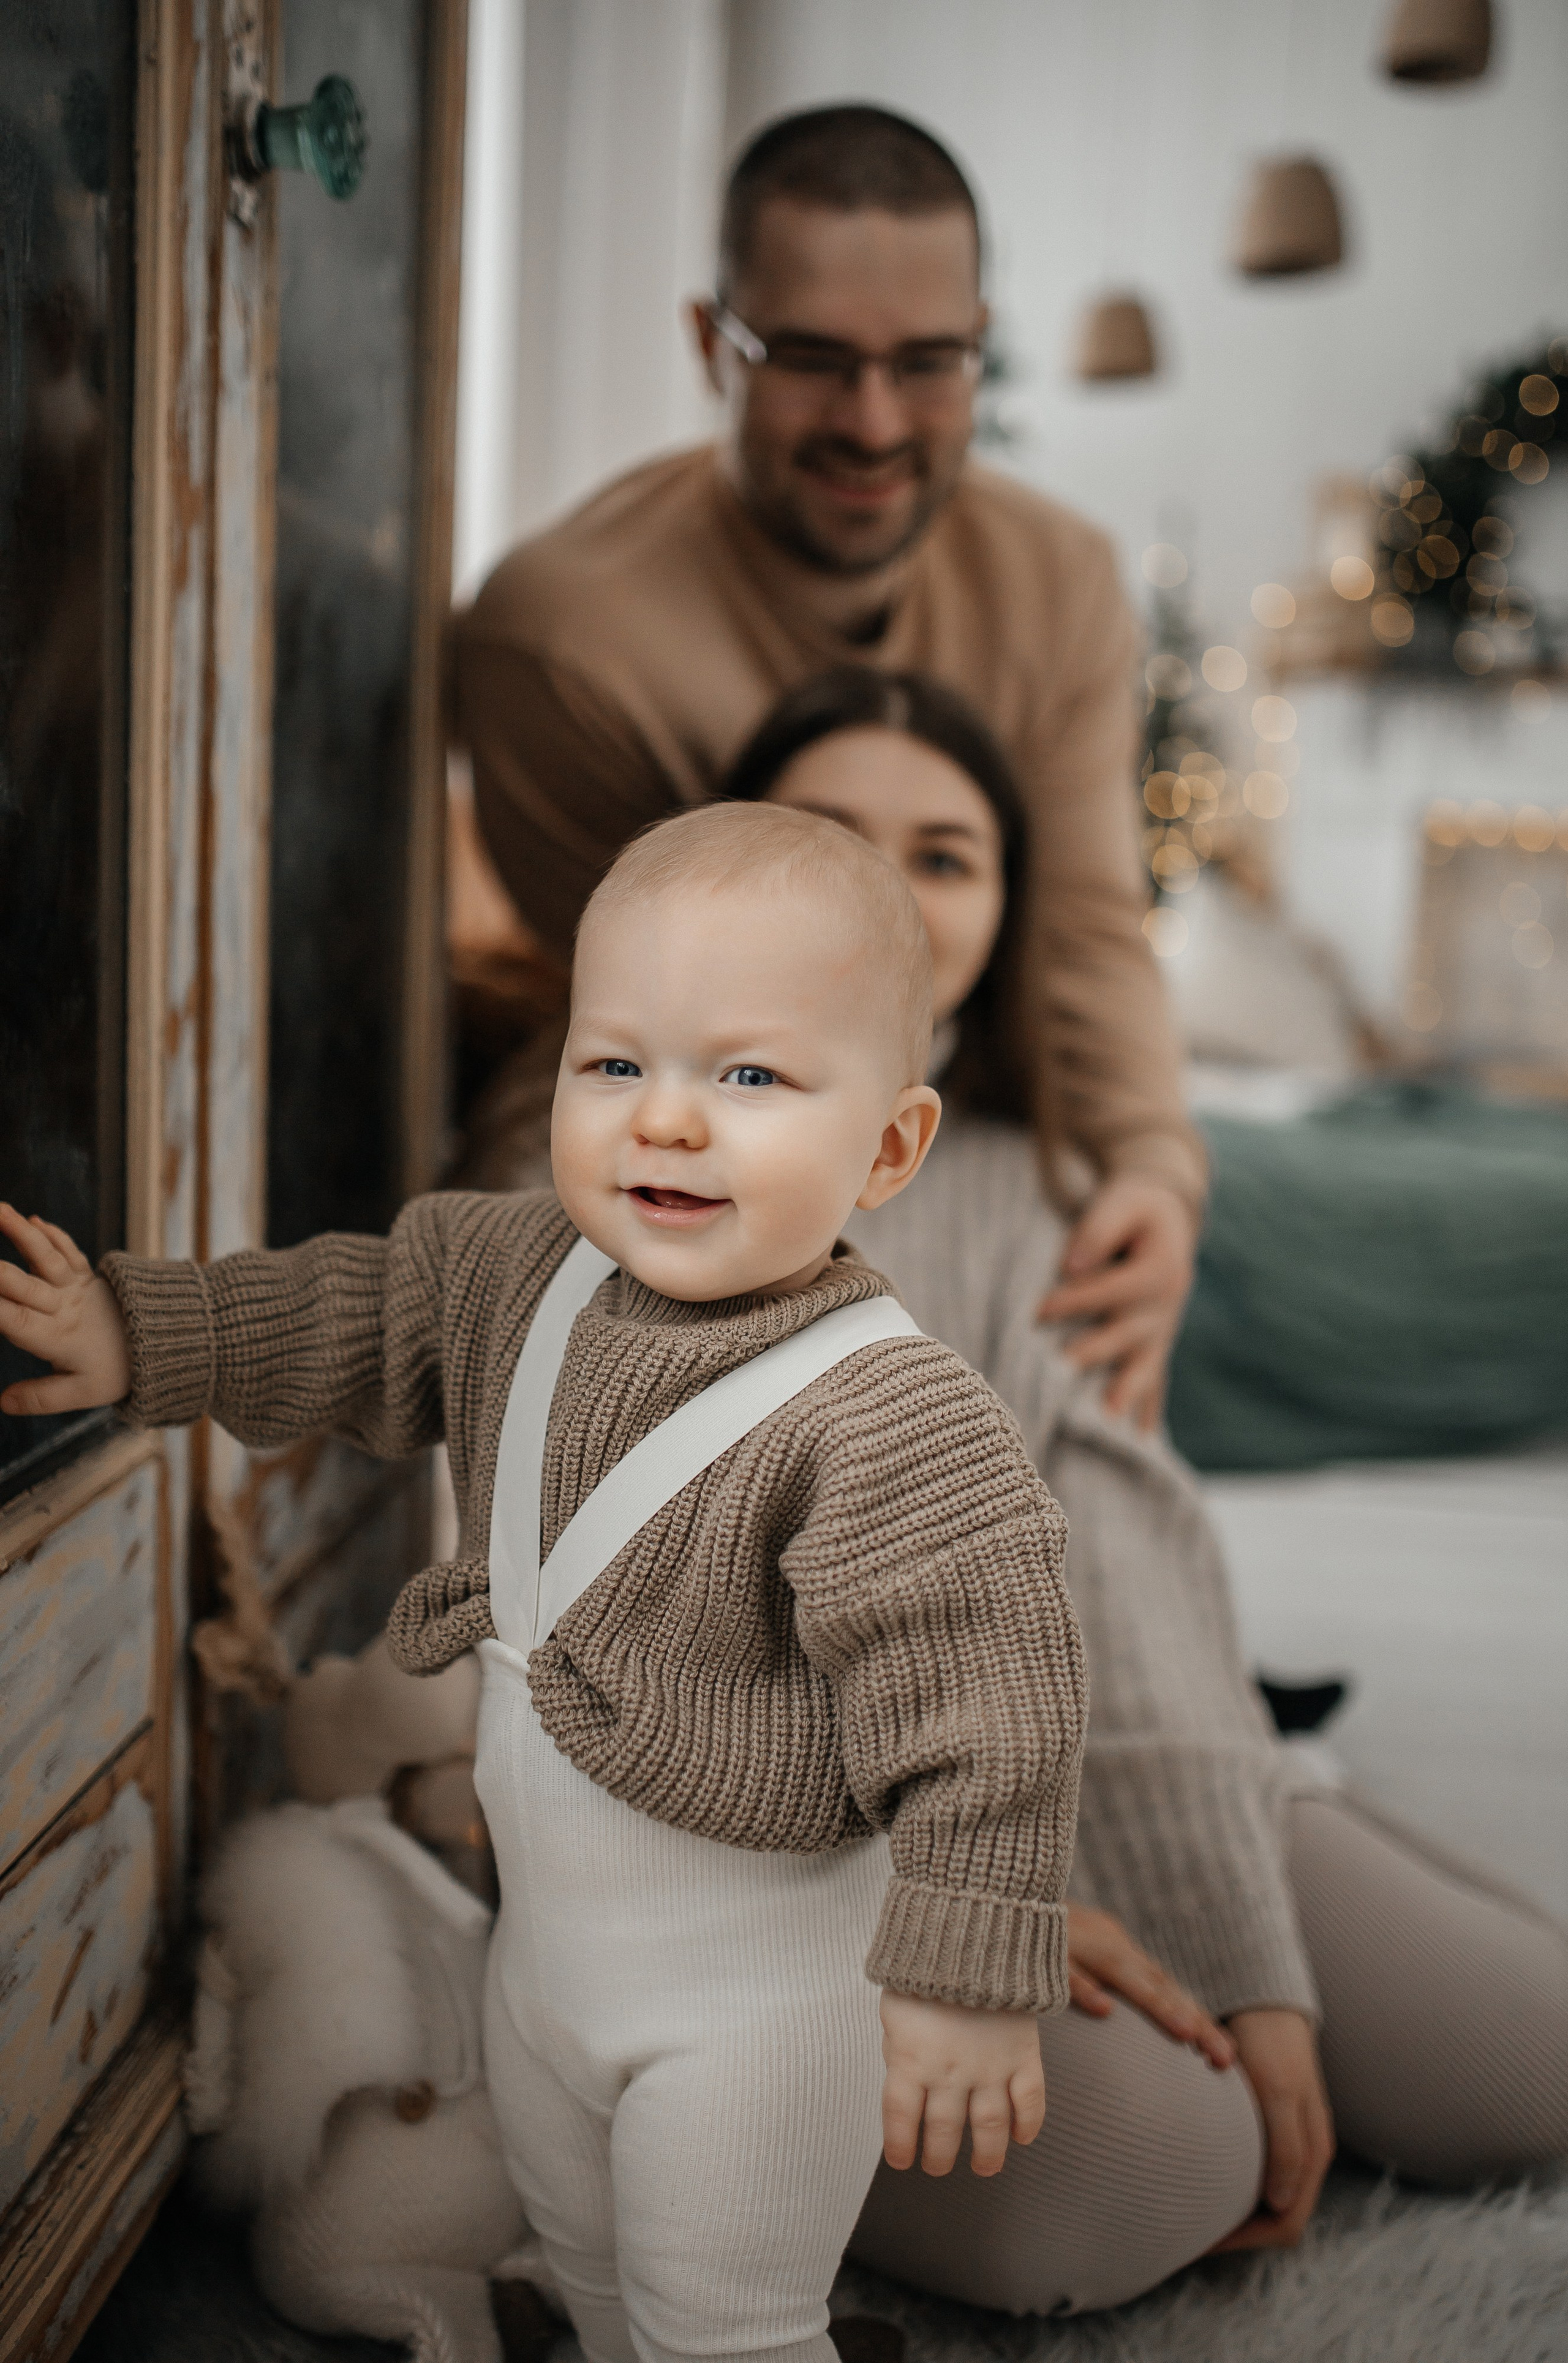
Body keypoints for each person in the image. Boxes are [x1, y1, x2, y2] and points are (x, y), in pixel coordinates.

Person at [0, 802, 1091, 2363]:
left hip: (762, 2002)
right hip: (548, 1971)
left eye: (751, 1076)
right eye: (615, 1063)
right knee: (592, 2270)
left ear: (890, 1145)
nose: (664, 1120)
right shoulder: (510, 1271)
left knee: (719, 2315)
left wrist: (970, 1975)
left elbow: (991, 1698)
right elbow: (346, 1313)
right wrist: (145, 1335)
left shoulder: (889, 1419)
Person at [721, 669, 1568, 2314]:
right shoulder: (599, 1162)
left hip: (1079, 1732)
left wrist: (1229, 1915)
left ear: (1006, 913)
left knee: (1537, 2067)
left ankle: (1276, 1785)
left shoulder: (1033, 1186)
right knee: (1143, 2174)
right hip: (767, 1845)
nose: (885, 886)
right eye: (827, 835)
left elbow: (1120, 1562)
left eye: (947, 855)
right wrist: (945, 1895)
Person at [453, 102, 1200, 1428]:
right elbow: (653, 1016)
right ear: (709, 343)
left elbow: (1082, 921)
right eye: (809, 358)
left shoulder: (1061, 582)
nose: (872, 421)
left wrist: (1149, 1163)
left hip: (957, 1098)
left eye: (928, 362)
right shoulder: (560, 640)